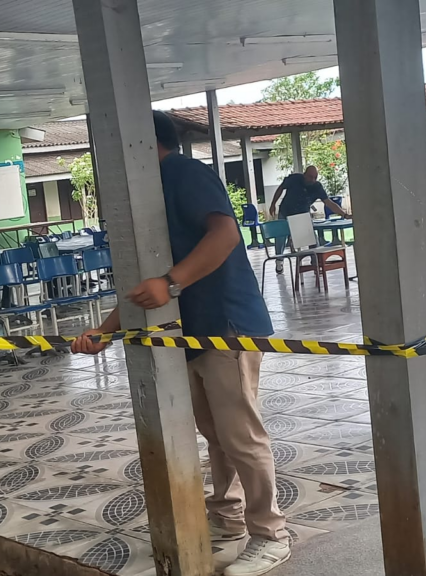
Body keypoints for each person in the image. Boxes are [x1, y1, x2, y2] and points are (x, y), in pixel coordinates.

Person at [71, 111, 289, 576]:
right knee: (217, 434)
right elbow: (144, 286)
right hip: (188, 332)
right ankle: (228, 519)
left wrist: (172, 283)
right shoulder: (145, 193)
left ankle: (270, 533)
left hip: (225, 326)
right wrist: (103, 332)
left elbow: (225, 233)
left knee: (240, 435)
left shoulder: (184, 173)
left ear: (142, 141)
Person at [268, 167, 350, 273]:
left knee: (312, 239)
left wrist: (344, 214)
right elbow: (280, 189)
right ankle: (279, 260)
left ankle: (316, 263)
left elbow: (329, 203)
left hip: (303, 215)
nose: (312, 180)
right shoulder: (294, 179)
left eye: (315, 177)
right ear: (304, 175)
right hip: (286, 212)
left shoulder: (317, 187)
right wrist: (273, 204)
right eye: (310, 177)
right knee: (280, 238)